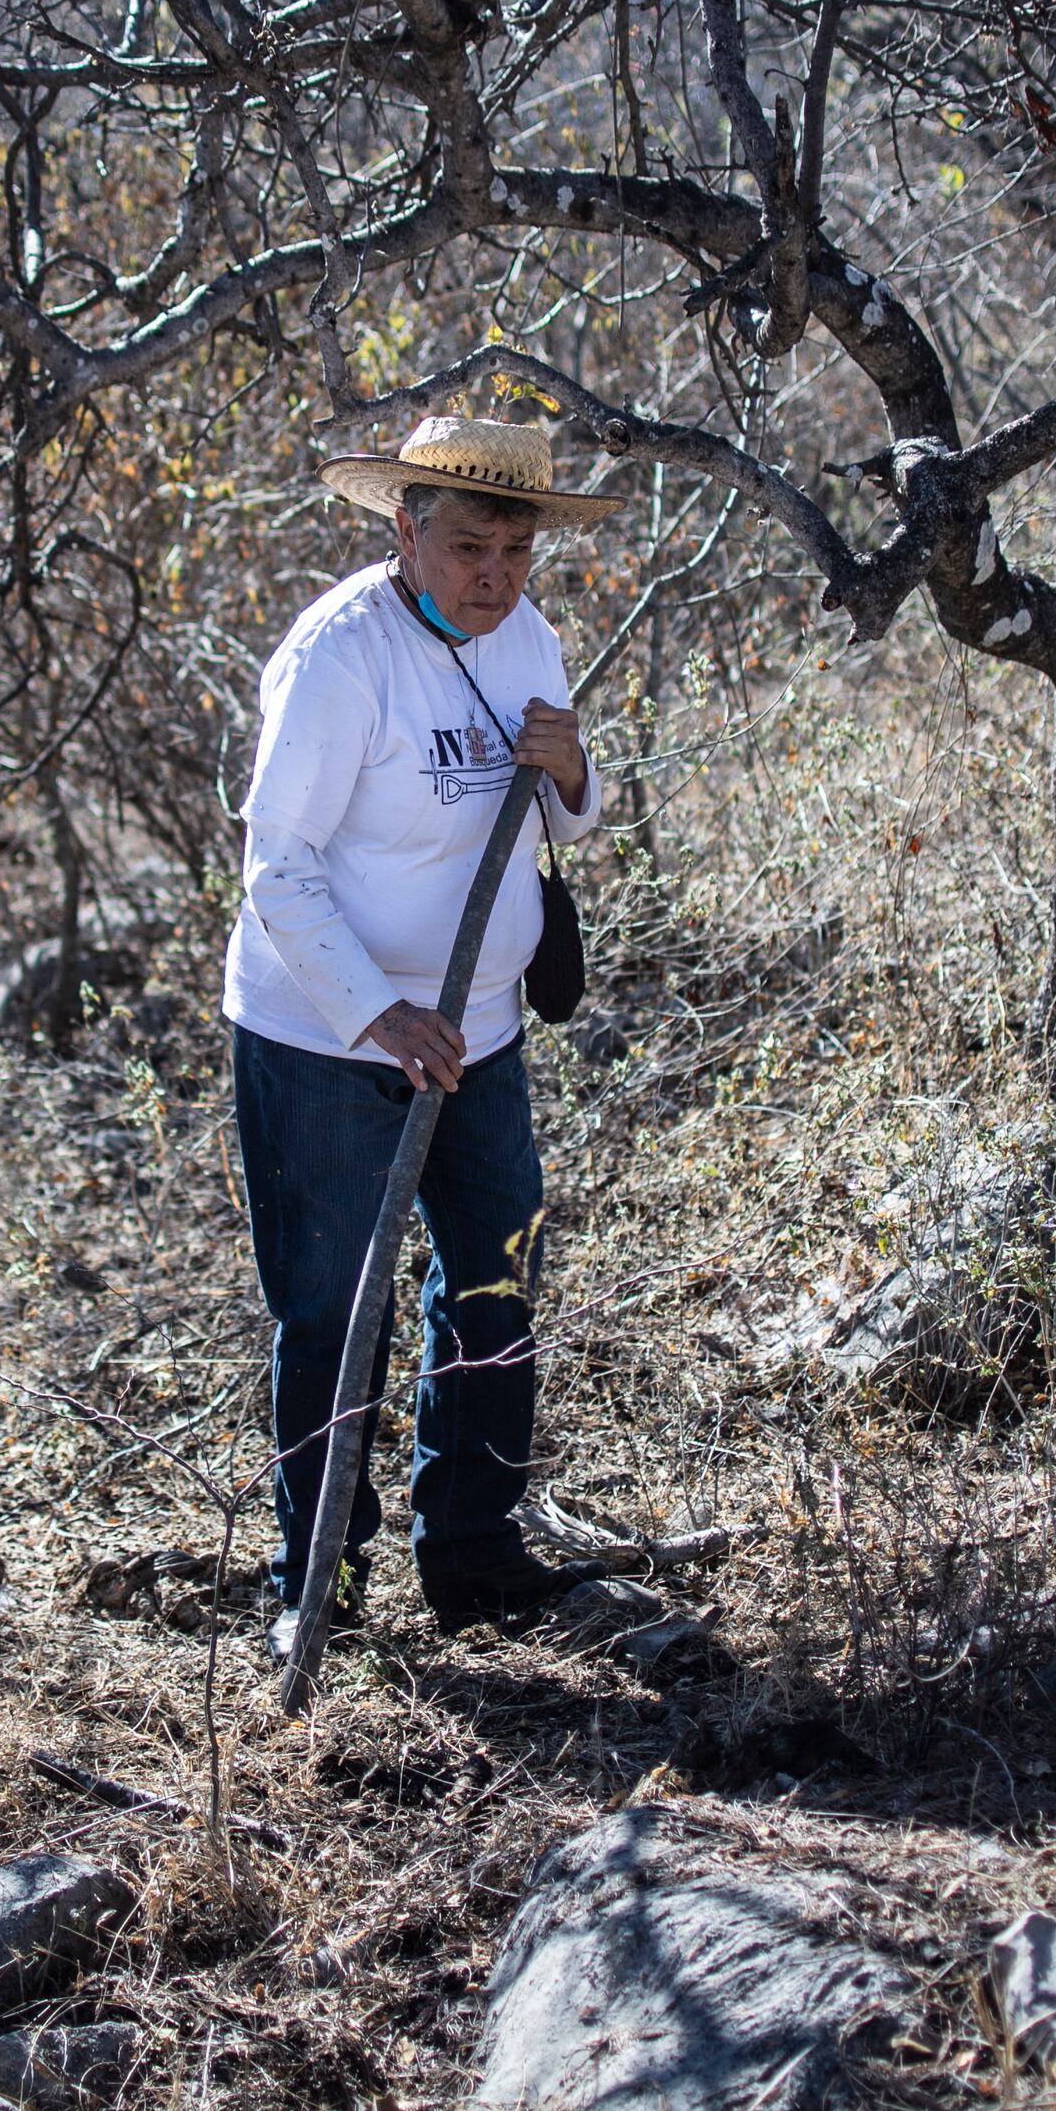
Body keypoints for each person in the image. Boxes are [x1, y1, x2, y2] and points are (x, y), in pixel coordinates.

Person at [224, 411, 630, 1651]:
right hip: (325, 1040)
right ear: (404, 529)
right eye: (466, 546)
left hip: (483, 1032)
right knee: (332, 1308)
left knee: (496, 1283)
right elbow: (275, 866)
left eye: (515, 546)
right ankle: (318, 1588)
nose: (493, 573)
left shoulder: (530, 638)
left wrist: (572, 776)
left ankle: (472, 1552)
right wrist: (378, 1010)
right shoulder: (339, 659)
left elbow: (569, 827)